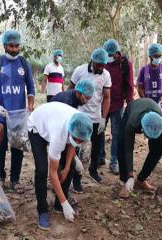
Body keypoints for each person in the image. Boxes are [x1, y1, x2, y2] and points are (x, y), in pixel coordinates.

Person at [28, 102, 93, 230]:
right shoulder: (59, 135)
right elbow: (52, 173)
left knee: (71, 165)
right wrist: (66, 204)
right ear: (70, 131)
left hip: (53, 120)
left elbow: (72, 144)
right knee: (42, 170)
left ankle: (58, 205)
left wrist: (68, 166)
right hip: (37, 126)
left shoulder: (81, 122)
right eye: (77, 139)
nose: (79, 142)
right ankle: (43, 210)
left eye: (82, 140)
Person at [0, 30, 35, 192]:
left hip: (19, 115)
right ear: (5, 45)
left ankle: (15, 179)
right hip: (1, 115)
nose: (14, 49)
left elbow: (31, 87)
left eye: (17, 46)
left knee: (17, 147)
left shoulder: (23, 63)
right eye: (11, 46)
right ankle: (0, 176)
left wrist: (30, 104)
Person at [69, 48, 111, 190]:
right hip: (80, 117)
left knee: (97, 148)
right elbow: (70, 91)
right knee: (78, 149)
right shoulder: (80, 71)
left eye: (103, 65)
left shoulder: (106, 75)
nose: (101, 67)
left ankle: (93, 171)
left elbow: (106, 97)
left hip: (96, 117)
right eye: (98, 64)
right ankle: (76, 178)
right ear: (92, 60)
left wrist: (103, 119)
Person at [117, 98, 162, 198]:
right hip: (133, 109)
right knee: (121, 146)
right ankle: (126, 182)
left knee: (158, 149)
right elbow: (128, 149)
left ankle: (140, 180)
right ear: (142, 129)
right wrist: (130, 175)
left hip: (153, 111)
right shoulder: (132, 122)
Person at [100, 39, 135, 174]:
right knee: (100, 130)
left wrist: (130, 104)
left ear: (117, 53)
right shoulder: (103, 62)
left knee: (116, 133)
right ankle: (100, 156)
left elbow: (129, 85)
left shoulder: (126, 64)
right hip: (103, 103)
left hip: (117, 103)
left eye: (110, 54)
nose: (108, 57)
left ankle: (114, 161)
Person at [137, 43, 162, 118]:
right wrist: (145, 100)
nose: (158, 58)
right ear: (150, 56)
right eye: (156, 56)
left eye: (160, 56)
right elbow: (140, 88)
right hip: (148, 108)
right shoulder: (144, 70)